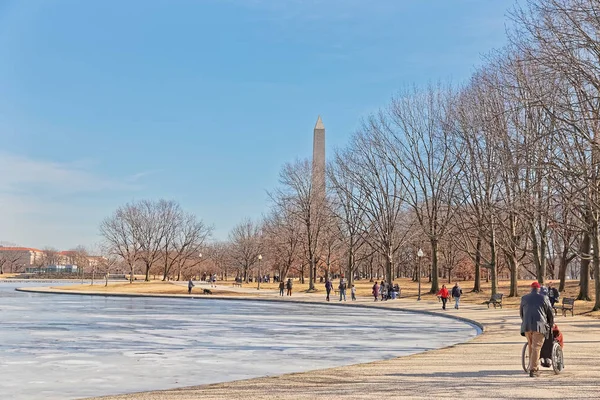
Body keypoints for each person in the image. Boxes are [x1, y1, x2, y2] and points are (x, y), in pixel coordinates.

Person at [520, 281, 555, 377]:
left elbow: (521, 313)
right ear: (539, 289)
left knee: (531, 345)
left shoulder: (524, 298)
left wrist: (525, 322)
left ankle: (533, 365)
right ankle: (533, 369)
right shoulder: (544, 298)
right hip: (539, 325)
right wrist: (551, 324)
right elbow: (550, 313)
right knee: (536, 347)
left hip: (527, 326)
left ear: (531, 289)